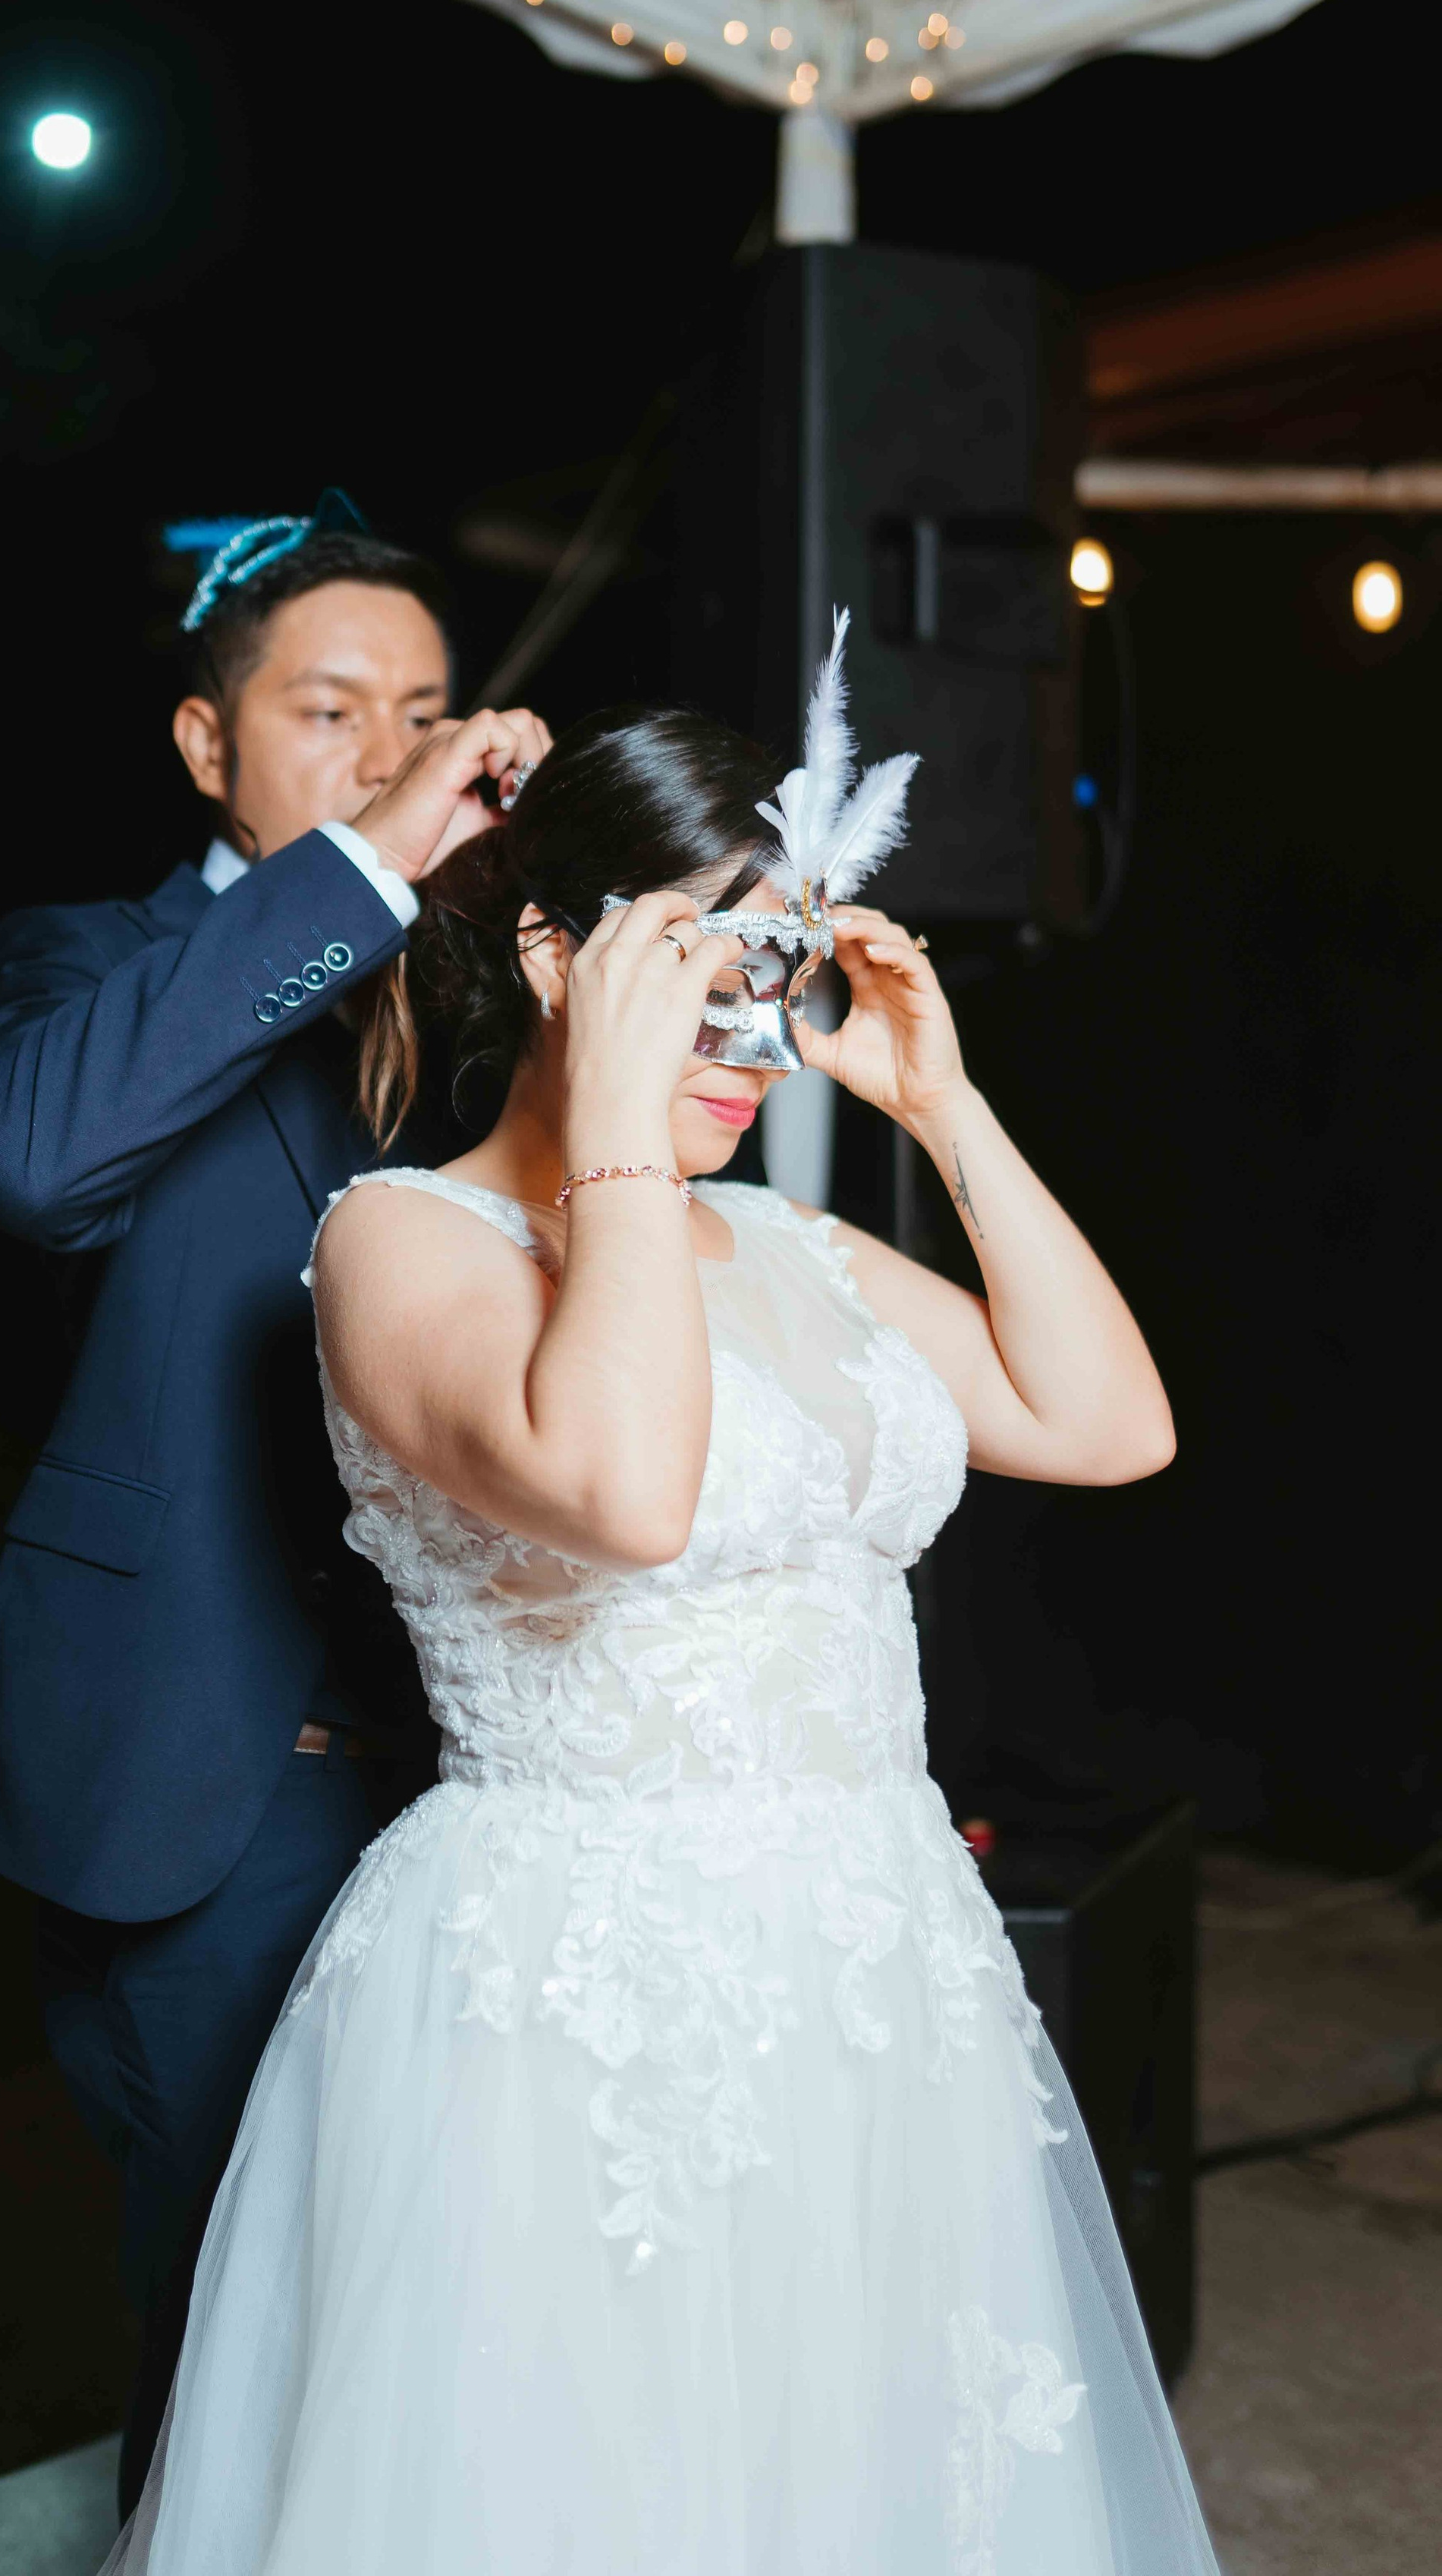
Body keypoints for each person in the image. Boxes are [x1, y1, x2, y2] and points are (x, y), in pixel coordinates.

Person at [101, 682, 1221, 2576]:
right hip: (567, 2001)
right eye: (698, 967)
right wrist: (619, 1126)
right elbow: (622, 1490)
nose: (748, 1037)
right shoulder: (398, 1246)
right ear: (559, 954)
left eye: (771, 978)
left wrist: (942, 1108)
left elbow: (1112, 1427)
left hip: (870, 1972)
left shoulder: (791, 1249)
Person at [0, 497, 550, 2514]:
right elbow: (33, 1168)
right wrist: (362, 870)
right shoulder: (97, 964)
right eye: (333, 712)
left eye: (430, 716)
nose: (389, 757)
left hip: (489, 1777)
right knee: (243, 2331)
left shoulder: (492, 1004)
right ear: (210, 745)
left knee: (436, 2325)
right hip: (222, 1775)